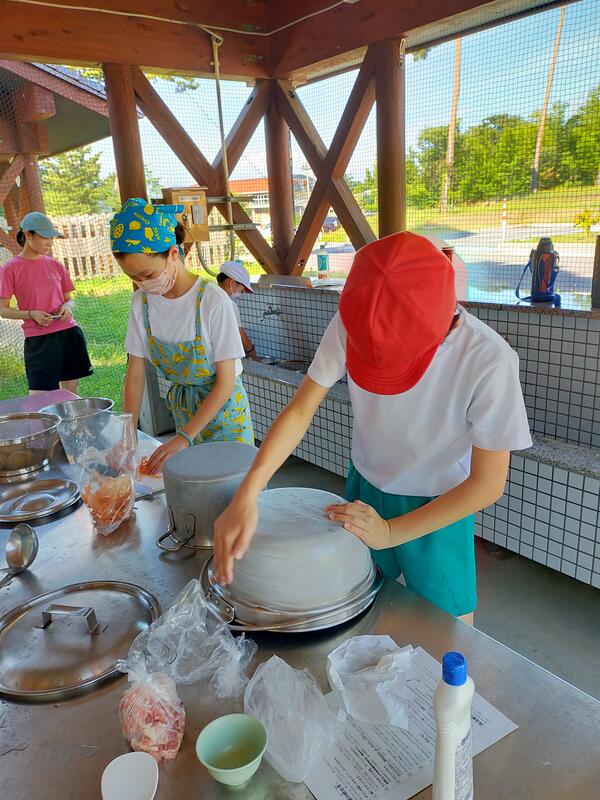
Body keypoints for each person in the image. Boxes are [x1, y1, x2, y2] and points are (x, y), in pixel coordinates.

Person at [213, 232, 532, 624]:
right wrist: (249, 492)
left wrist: (392, 532)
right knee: (356, 606)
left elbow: (487, 484)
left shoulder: (489, 359)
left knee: (447, 629)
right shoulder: (357, 320)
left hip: (437, 504)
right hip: (365, 488)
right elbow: (300, 410)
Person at [110, 198, 253, 474]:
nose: (143, 283)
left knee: (231, 491)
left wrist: (184, 437)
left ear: (173, 254)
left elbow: (225, 383)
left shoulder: (212, 301)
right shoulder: (142, 303)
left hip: (225, 416)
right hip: (184, 413)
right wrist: (128, 431)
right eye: (134, 277)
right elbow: (135, 372)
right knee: (193, 488)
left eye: (148, 273)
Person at [0, 212, 93, 395]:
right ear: (28, 234)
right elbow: (3, 310)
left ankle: (70, 425)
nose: (50, 243)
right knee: (39, 397)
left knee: (70, 394)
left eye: (52, 238)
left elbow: (69, 300)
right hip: (39, 341)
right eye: (45, 238)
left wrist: (67, 308)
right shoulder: (10, 269)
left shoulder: (56, 265)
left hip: (69, 334)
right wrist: (30, 314)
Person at [216, 261, 260, 361]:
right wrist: (256, 358)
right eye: (241, 291)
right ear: (232, 283)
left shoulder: (208, 294)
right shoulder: (228, 304)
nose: (240, 296)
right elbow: (241, 336)